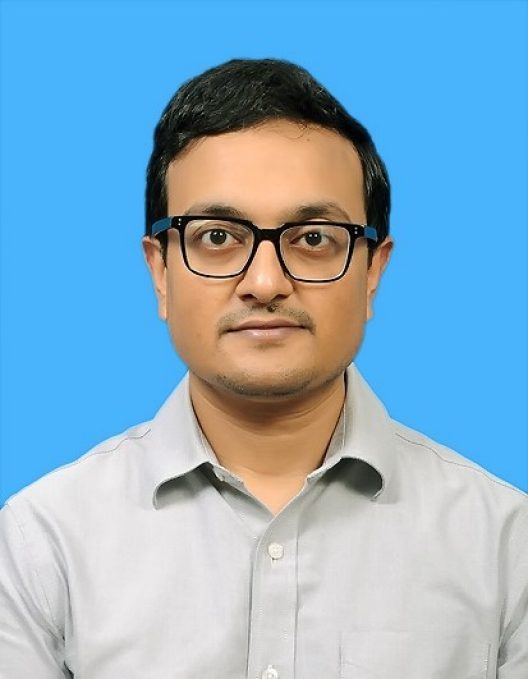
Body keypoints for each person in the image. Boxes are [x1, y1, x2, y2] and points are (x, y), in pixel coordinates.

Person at [0, 58, 526, 679]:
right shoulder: (42, 543)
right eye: (218, 237)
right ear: (161, 271)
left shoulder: (504, 545)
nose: (266, 282)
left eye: (313, 238)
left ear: (372, 272)